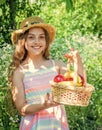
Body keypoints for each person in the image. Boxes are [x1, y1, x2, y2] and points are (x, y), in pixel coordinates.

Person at [9, 16, 85, 130]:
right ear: (23, 41)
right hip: (33, 126)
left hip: (57, 124)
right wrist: (44, 105)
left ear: (46, 41)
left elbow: (80, 85)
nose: (37, 41)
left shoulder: (56, 65)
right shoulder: (19, 72)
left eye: (41, 37)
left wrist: (77, 61)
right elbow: (22, 109)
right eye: (31, 37)